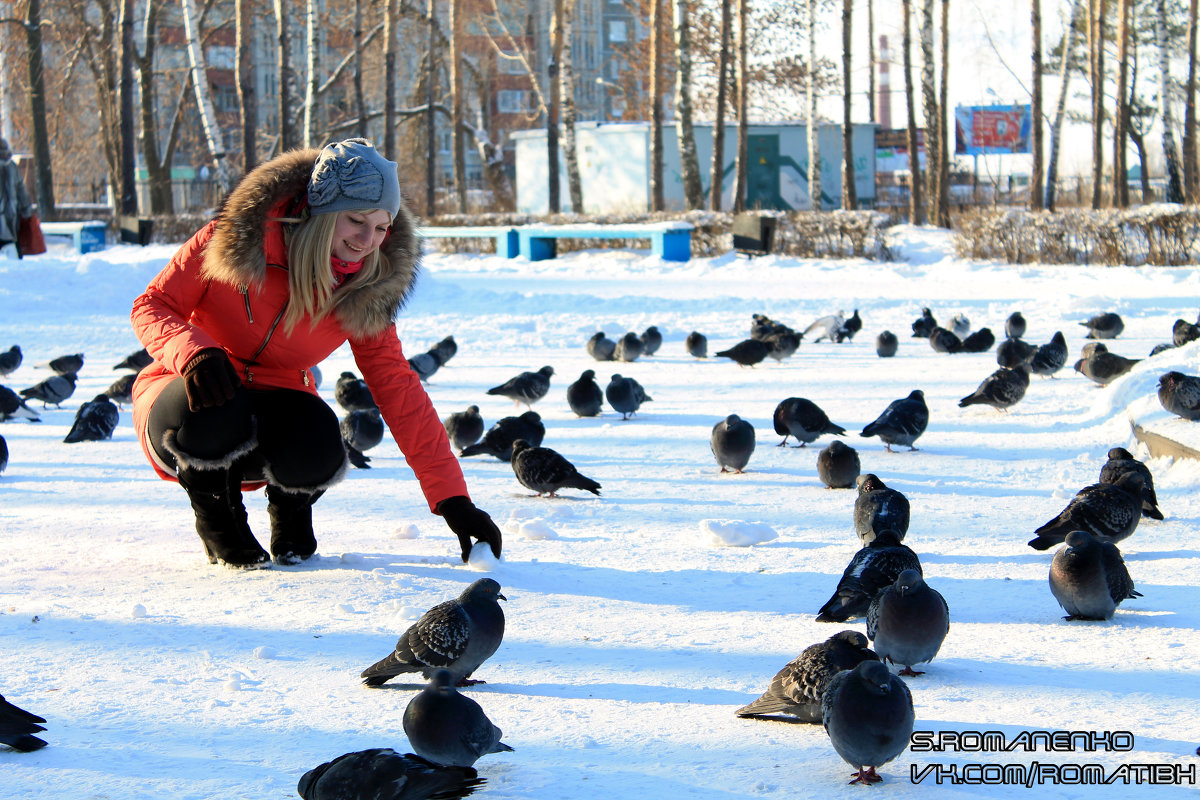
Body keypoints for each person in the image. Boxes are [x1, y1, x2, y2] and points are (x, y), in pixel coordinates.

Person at [130, 138, 503, 568]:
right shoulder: (235, 240)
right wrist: (194, 353)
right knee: (214, 408)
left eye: (382, 227)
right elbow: (151, 305)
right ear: (321, 210)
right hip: (189, 397)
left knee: (321, 437)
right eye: (357, 220)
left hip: (278, 403)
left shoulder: (366, 286)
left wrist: (452, 499)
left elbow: (398, 387)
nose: (367, 240)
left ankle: (291, 512)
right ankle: (218, 518)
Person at [0, 138, 34, 259]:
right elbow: (21, 190)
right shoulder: (12, 167)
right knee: (12, 248)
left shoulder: (12, 167)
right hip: (12, 216)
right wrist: (26, 210)